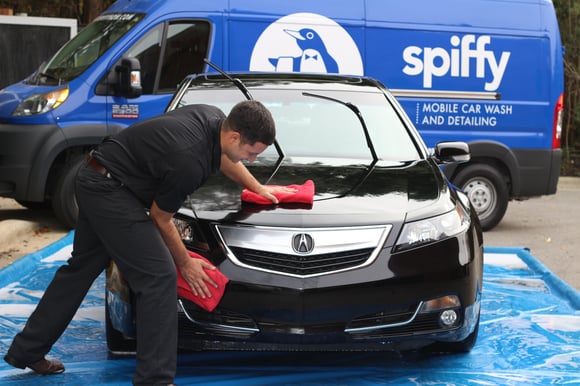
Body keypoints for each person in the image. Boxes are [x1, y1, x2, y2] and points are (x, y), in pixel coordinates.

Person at [4, 100, 290, 385]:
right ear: (234, 136)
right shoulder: (188, 160)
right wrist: (186, 263)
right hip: (110, 191)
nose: (251, 160)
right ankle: (155, 380)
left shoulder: (214, 117)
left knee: (79, 270)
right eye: (251, 153)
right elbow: (160, 217)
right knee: (158, 276)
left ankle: (28, 350)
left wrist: (258, 188)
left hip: (95, 174)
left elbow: (227, 158)